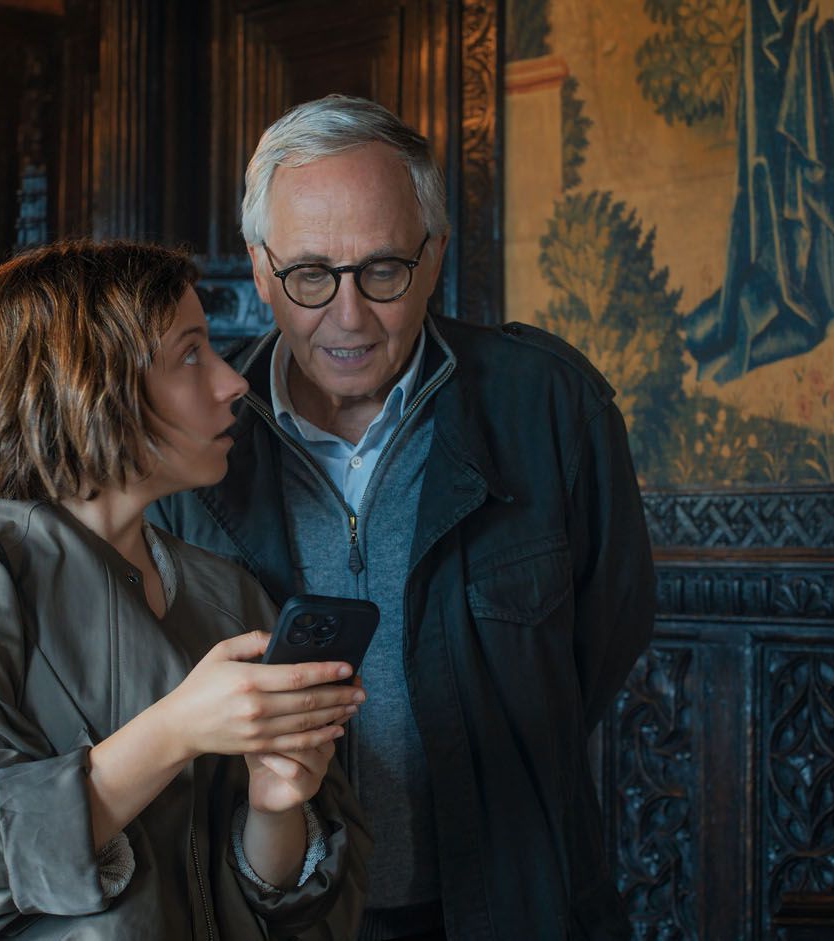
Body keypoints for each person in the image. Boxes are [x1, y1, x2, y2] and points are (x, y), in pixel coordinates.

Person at [150, 96, 657, 940]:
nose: (348, 315)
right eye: (310, 275)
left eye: (383, 269)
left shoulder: (548, 405)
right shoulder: (194, 437)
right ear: (261, 269)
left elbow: (605, 637)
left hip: (511, 907)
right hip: (272, 918)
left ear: (435, 256)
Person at [0, 239, 370, 940]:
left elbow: (281, 901)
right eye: (190, 355)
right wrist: (174, 732)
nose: (233, 382)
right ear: (88, 383)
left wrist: (275, 805)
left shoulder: (230, 596)